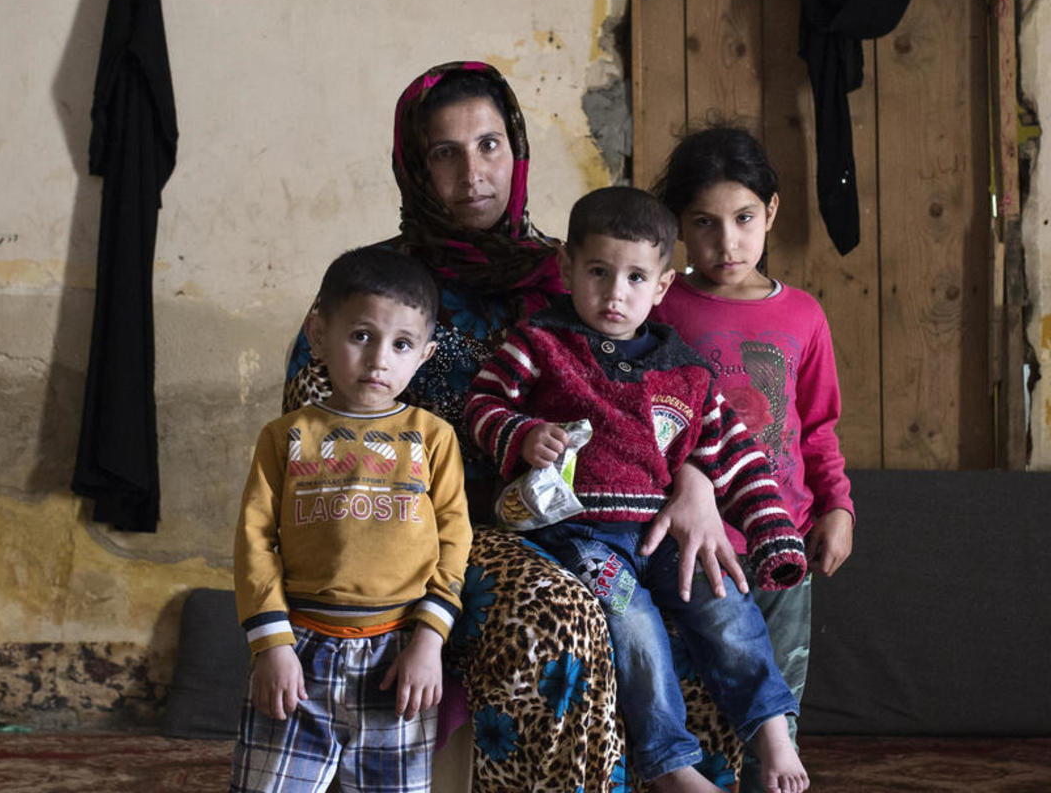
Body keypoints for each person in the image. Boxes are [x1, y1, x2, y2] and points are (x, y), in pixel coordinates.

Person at [283, 62, 750, 793]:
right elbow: (311, 431)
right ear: (415, 166)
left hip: (592, 513)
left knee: (703, 592)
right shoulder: (376, 287)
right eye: (445, 153)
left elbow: (665, 391)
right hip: (430, 529)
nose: (472, 173)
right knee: (558, 614)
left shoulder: (580, 271)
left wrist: (694, 481)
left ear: (517, 150)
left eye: (489, 145)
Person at [464, 186, 810, 793]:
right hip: (579, 536)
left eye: (635, 278)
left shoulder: (685, 371)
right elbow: (482, 403)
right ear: (568, 267)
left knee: (726, 603)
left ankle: (772, 732)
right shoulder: (540, 343)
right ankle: (670, 764)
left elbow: (736, 455)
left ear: (662, 286)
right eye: (598, 272)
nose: (615, 294)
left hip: (659, 535)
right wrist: (522, 434)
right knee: (636, 623)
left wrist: (774, 535)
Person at [651, 126, 855, 793]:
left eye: (743, 219)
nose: (726, 243)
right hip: (693, 551)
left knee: (778, 711)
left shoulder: (803, 316)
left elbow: (817, 427)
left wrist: (838, 506)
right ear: (679, 227)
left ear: (771, 211)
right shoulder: (660, 306)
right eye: (703, 224)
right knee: (704, 709)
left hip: (782, 545)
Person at [232, 246, 471, 793]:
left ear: (425, 355)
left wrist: (429, 641)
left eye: (401, 344)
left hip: (399, 657)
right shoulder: (285, 437)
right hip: (298, 652)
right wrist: (272, 646)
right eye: (361, 335)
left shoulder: (434, 438)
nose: (379, 359)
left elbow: (454, 541)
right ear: (318, 335)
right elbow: (254, 541)